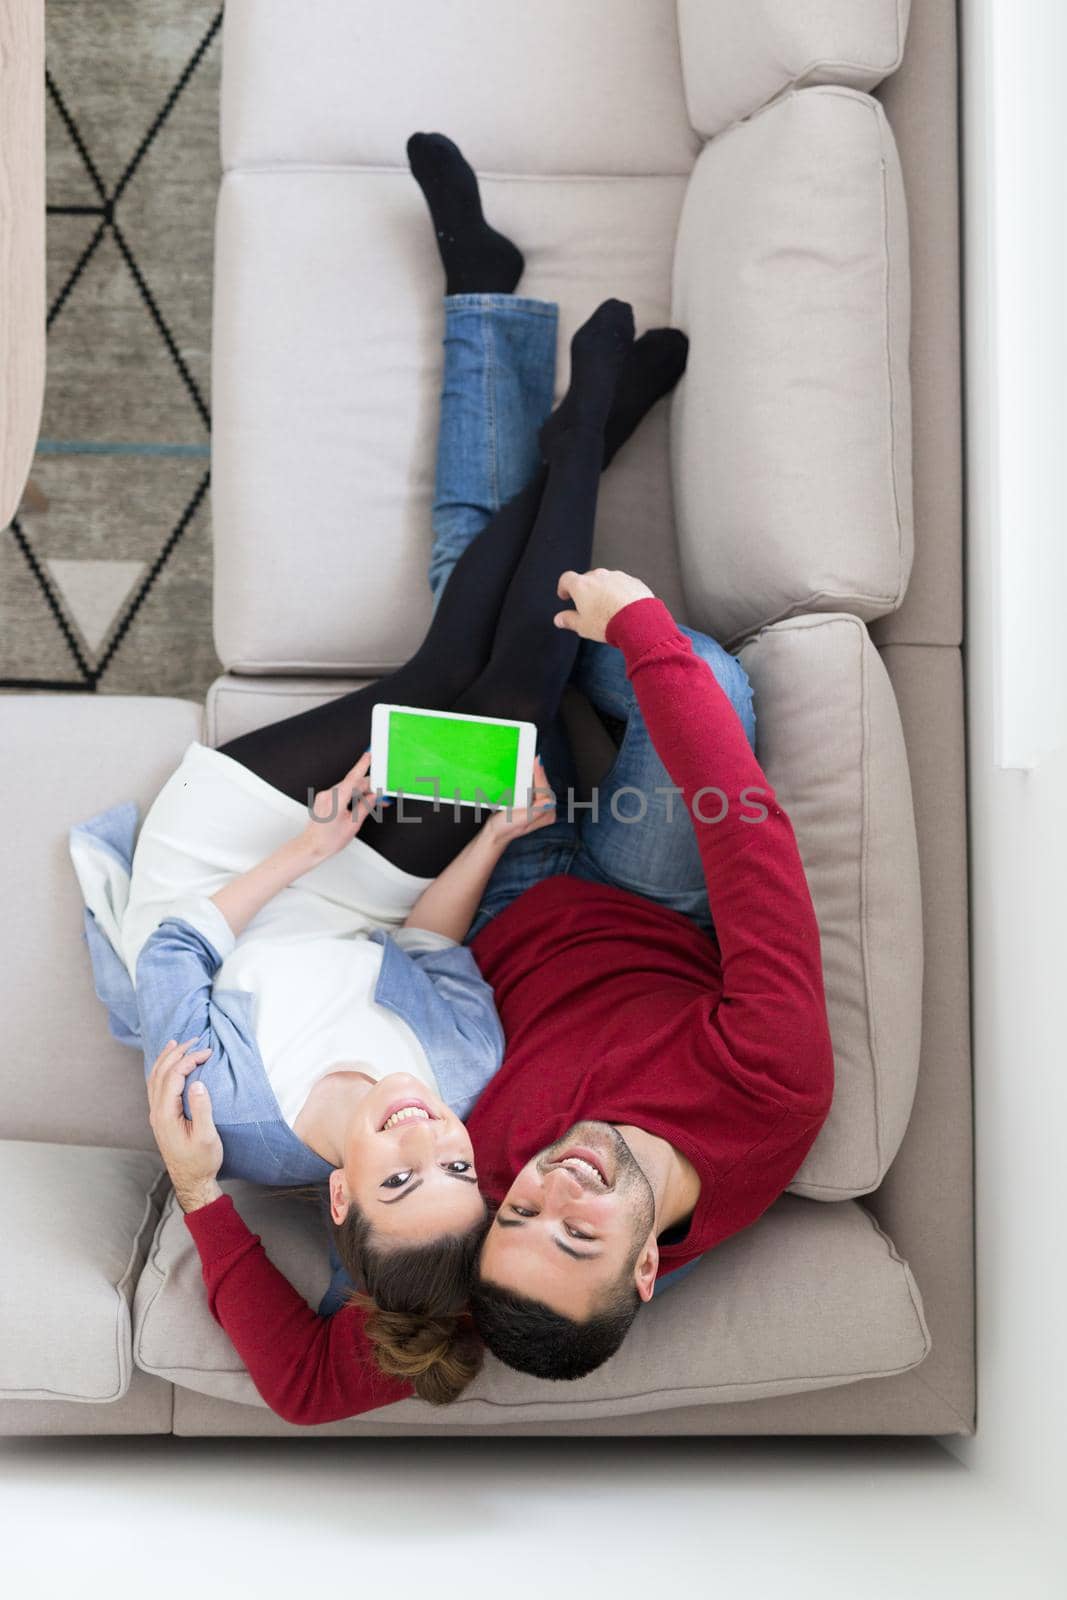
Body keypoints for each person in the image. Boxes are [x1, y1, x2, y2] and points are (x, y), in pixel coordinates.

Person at [70, 133, 692, 1405]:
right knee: (496, 707)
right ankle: (581, 430)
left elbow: (173, 950)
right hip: (364, 887)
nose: (431, 1139)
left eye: (402, 1174)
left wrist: (303, 842)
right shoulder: (458, 1076)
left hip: (242, 856)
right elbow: (425, 951)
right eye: (459, 1171)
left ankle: (585, 427)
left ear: (341, 1192)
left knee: (456, 680)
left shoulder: (227, 1116)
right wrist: (492, 837)